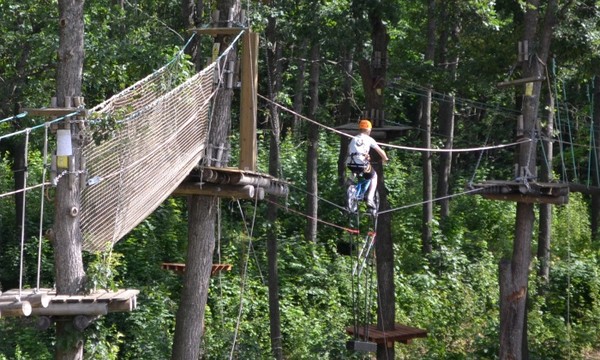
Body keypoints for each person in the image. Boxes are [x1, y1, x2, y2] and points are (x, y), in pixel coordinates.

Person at [346, 119, 389, 209]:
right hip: (361, 164)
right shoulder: (369, 139)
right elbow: (381, 152)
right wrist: (385, 159)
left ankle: (351, 181)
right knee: (374, 176)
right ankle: (369, 198)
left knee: (357, 171)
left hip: (350, 163)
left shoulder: (354, 139)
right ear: (369, 130)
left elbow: (352, 151)